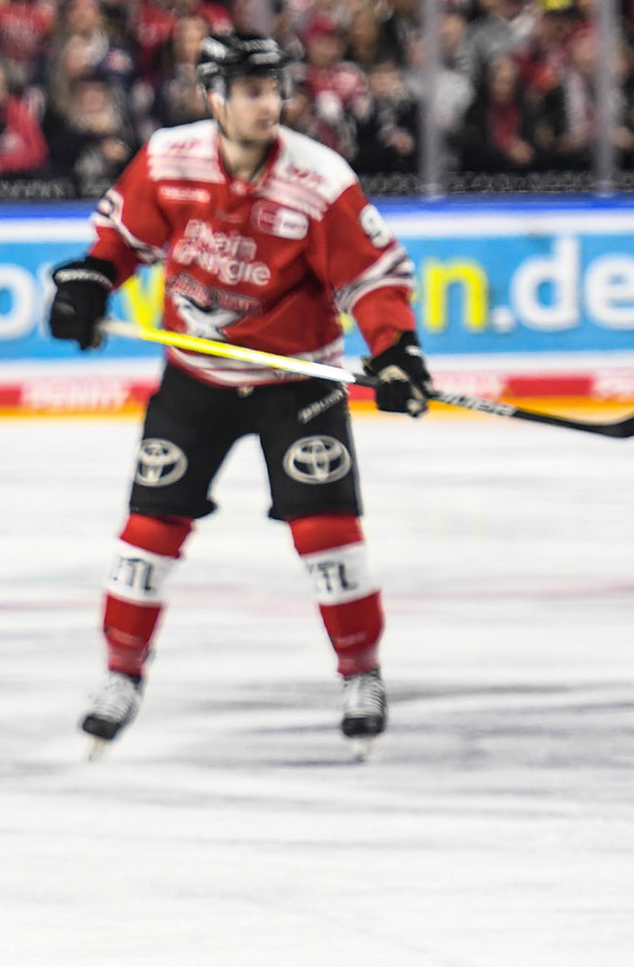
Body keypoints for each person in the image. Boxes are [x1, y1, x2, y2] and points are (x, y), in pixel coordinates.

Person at [45, 33, 432, 759]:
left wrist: (396, 351)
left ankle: (361, 672)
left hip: (299, 382)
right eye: (250, 90)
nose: (267, 103)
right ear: (215, 97)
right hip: (196, 376)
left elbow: (374, 278)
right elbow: (120, 240)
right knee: (148, 536)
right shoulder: (169, 157)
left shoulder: (318, 179)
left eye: (272, 89)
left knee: (327, 538)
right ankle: (121, 674)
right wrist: (92, 283)